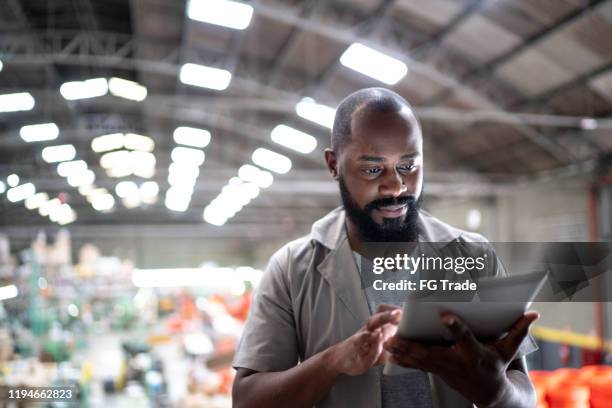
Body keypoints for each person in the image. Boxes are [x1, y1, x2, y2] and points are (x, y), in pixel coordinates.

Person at [232, 87, 539, 408]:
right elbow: (247, 400)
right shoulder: (291, 269)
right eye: (372, 169)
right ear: (334, 164)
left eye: (409, 166)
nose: (396, 186)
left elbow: (523, 394)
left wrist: (496, 391)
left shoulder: (475, 256)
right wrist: (335, 361)